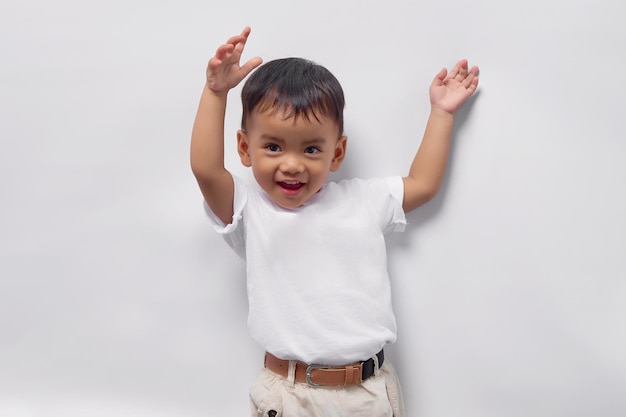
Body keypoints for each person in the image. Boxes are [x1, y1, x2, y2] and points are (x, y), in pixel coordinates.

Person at [191, 26, 479, 417]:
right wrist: (215, 92)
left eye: (311, 148)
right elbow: (206, 170)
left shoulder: (363, 199)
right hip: (291, 396)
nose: (291, 164)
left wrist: (441, 114)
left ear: (337, 153)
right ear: (245, 148)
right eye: (273, 146)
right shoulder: (249, 210)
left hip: (370, 393)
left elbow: (423, 184)